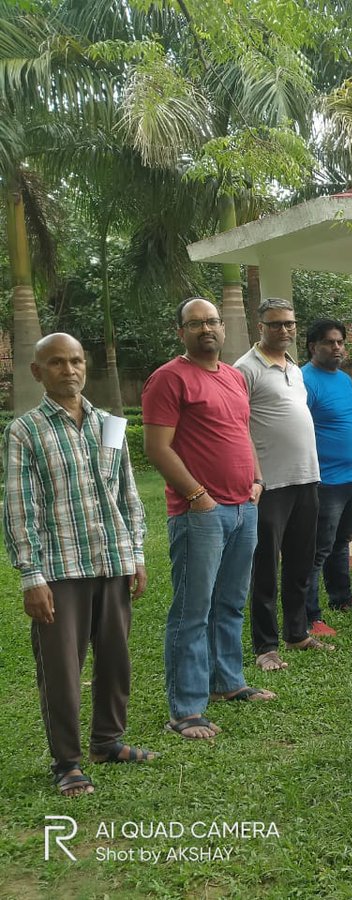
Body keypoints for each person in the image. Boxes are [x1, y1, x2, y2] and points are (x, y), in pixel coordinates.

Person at [3, 333, 154, 796]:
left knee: (116, 659)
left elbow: (126, 492)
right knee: (62, 670)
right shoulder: (24, 431)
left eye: (75, 361)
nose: (68, 370)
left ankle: (108, 741)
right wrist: (32, 575)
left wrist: (137, 553)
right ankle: (66, 762)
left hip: (111, 561)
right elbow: (18, 507)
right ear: (37, 372)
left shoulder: (108, 423)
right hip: (60, 570)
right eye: (56, 363)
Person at [143, 297, 274, 742]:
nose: (207, 329)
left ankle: (227, 682)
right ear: (181, 332)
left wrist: (256, 481)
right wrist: (197, 495)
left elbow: (242, 432)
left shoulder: (235, 376)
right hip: (200, 513)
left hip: (244, 507)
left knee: (230, 603)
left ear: (223, 328)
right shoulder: (168, 379)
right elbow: (157, 448)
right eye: (196, 323)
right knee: (192, 610)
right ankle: (186, 709)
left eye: (213, 322)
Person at [235, 298, 325, 671]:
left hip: (307, 478)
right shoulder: (245, 369)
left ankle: (297, 632)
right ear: (261, 328)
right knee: (266, 565)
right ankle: (265, 646)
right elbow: (238, 427)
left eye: (289, 323)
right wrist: (255, 476)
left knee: (301, 562)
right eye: (275, 324)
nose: (284, 330)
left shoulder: (294, 368)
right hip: (270, 484)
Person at [303, 319, 352, 625]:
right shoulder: (305, 380)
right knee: (317, 550)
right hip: (324, 481)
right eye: (330, 342)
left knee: (342, 542)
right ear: (314, 347)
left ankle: (341, 599)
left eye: (340, 341)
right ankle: (310, 615)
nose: (337, 347)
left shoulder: (344, 379)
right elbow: (299, 430)